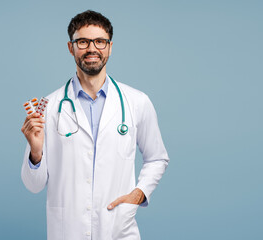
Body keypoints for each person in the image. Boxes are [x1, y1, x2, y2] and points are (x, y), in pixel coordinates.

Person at [20, 10, 169, 240]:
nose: (92, 49)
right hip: (67, 231)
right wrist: (36, 152)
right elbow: (33, 185)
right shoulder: (49, 107)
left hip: (118, 230)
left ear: (110, 47)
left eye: (100, 41)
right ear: (71, 48)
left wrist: (139, 194)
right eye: (83, 41)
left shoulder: (137, 101)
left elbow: (157, 157)